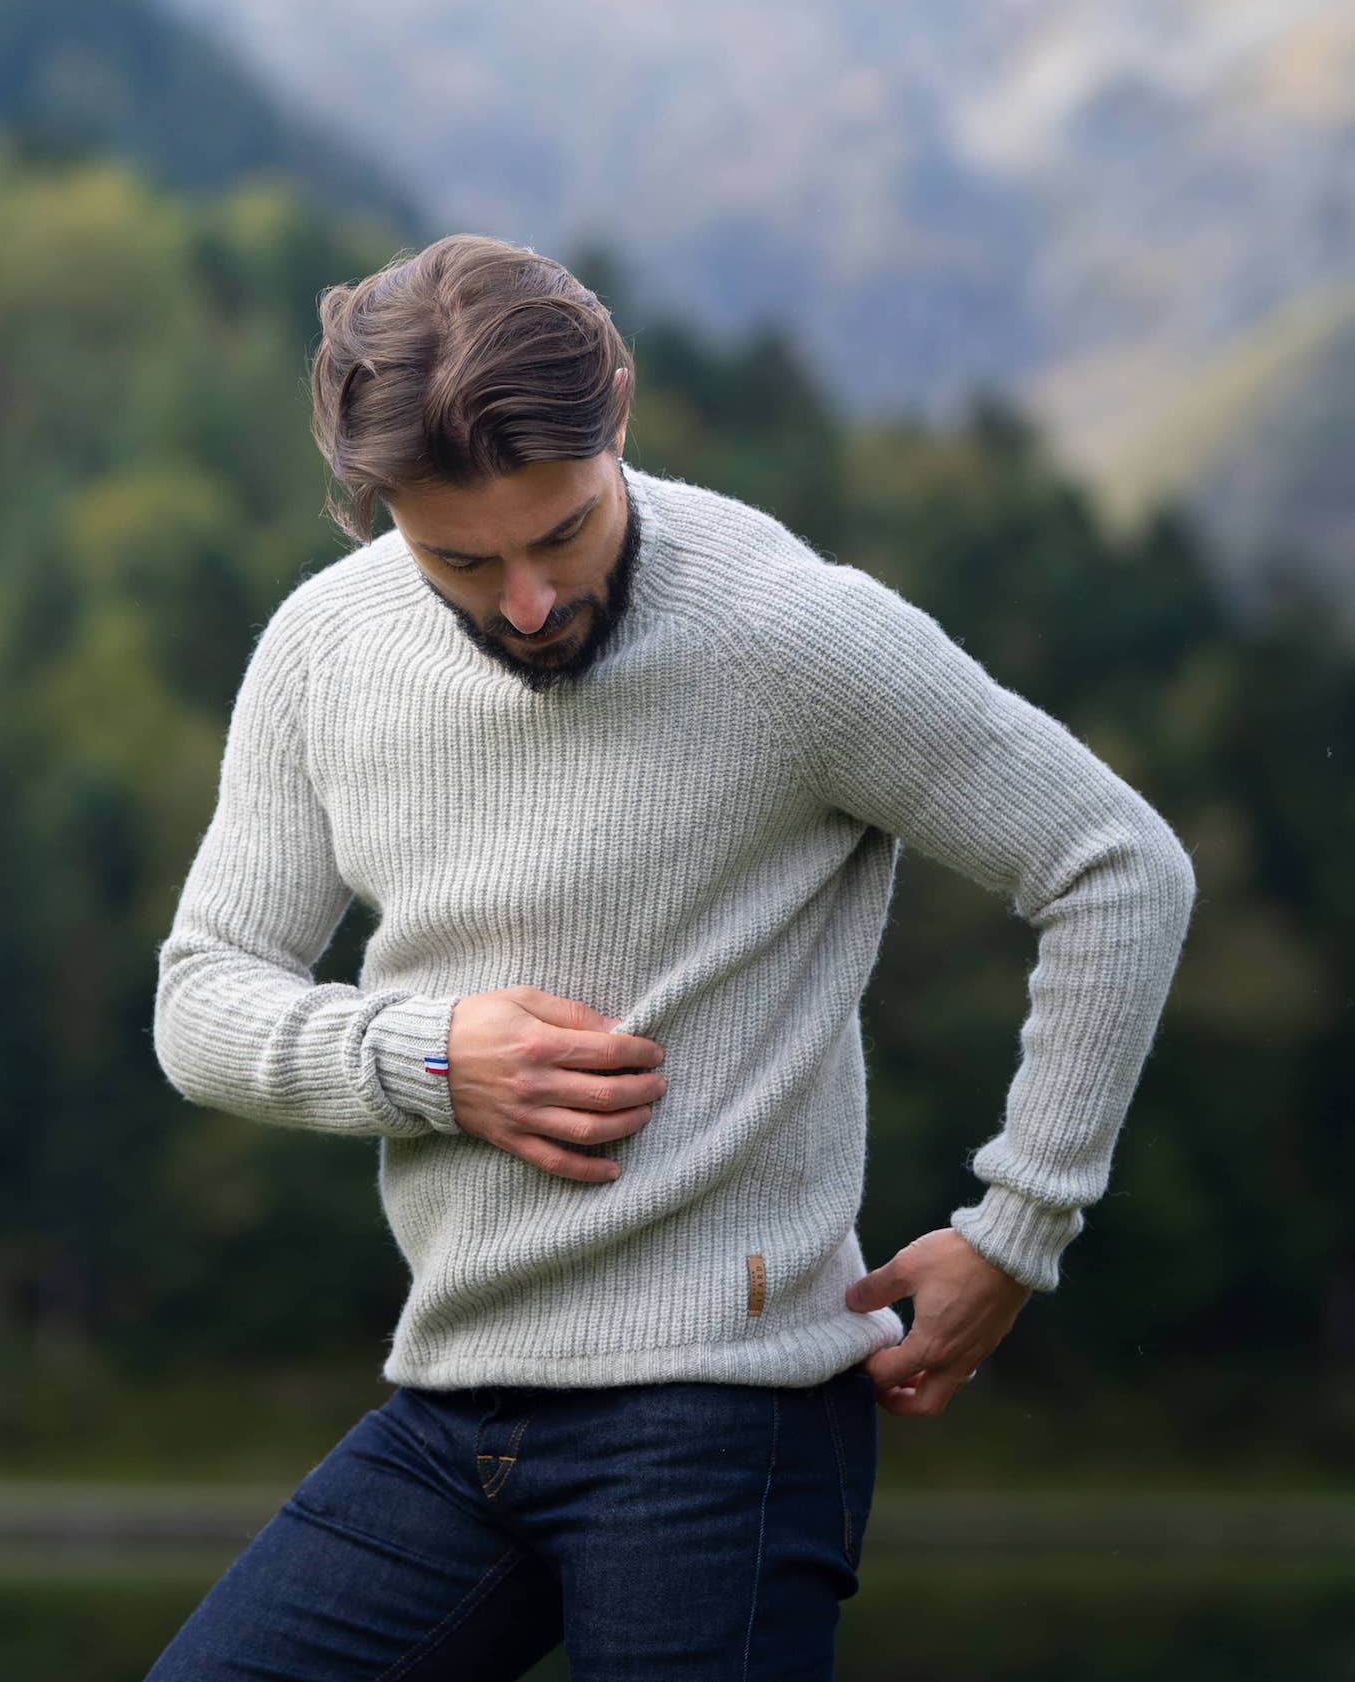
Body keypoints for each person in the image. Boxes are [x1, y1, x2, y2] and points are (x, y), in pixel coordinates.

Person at [145, 233, 1197, 1680]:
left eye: (561, 533)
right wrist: (432, 1059)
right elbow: (201, 1000)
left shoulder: (789, 631)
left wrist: (1019, 1229)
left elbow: (1119, 864)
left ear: (618, 410)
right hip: (456, 1402)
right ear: (374, 502)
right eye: (461, 556)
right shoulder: (324, 650)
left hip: (728, 1420)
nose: (525, 600)